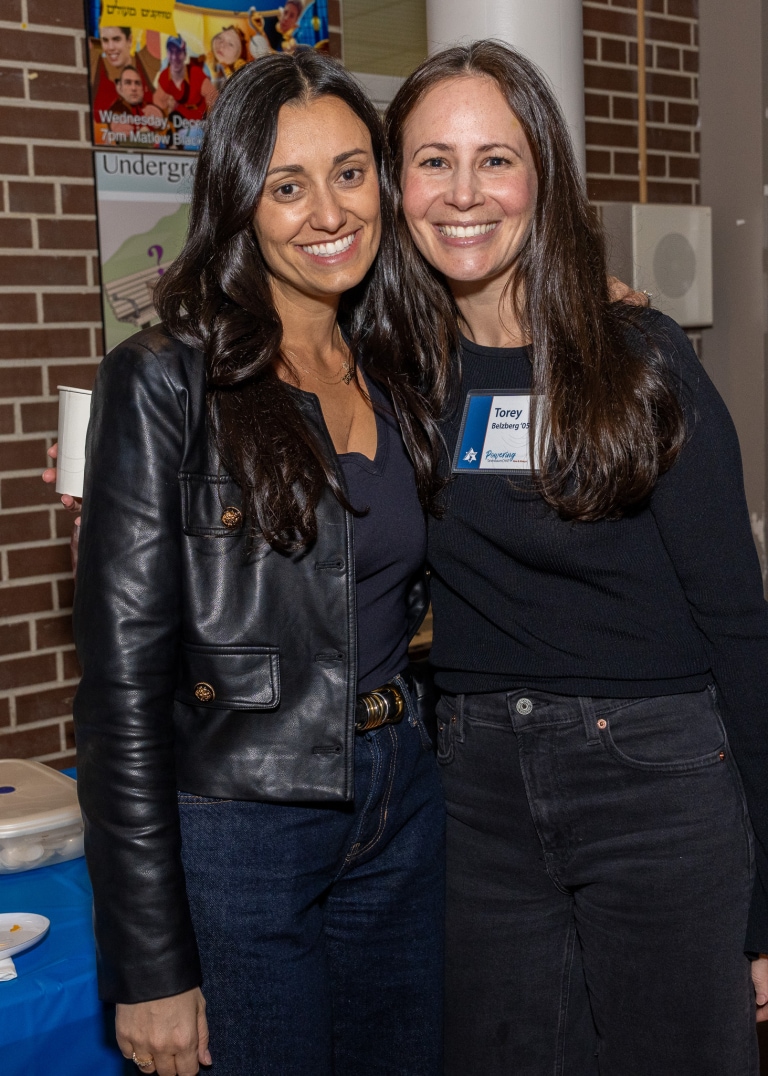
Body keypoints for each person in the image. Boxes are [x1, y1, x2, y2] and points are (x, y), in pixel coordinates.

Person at [384, 40, 768, 1075]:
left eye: (496, 159)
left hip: (656, 778)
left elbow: (740, 621)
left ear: (543, 174)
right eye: (433, 161)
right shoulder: (391, 369)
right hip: (474, 790)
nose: (464, 193)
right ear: (395, 184)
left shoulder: (637, 355)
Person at [71, 51, 445, 1076]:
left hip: (404, 794)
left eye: (351, 173)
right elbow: (120, 691)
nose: (329, 212)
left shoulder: (403, 364)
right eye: (287, 186)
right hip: (242, 825)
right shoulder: (163, 379)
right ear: (239, 201)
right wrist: (148, 962)